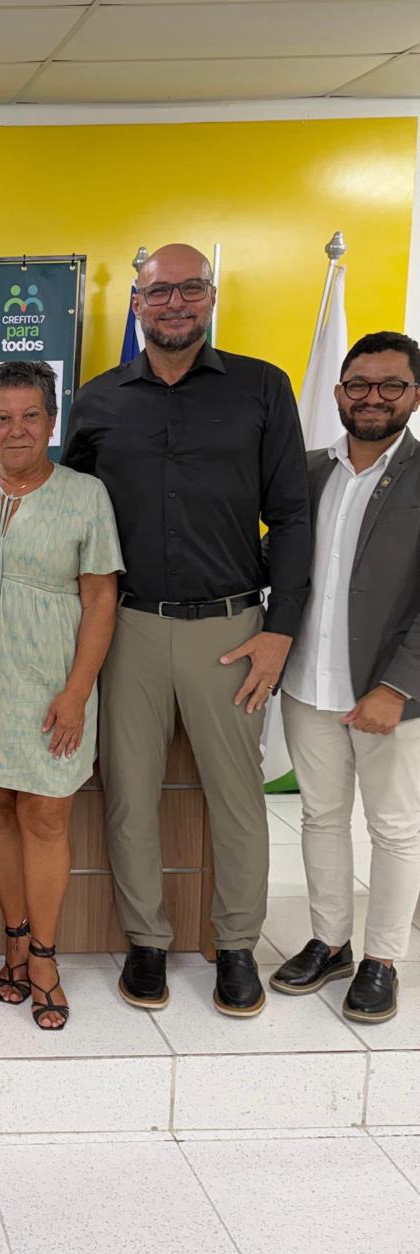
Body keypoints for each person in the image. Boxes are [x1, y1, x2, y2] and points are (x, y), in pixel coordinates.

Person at [64, 242, 312, 1018]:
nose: (175, 302)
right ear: (137, 304)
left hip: (232, 630)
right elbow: (71, 514)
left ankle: (237, 947)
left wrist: (281, 629)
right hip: (127, 628)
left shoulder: (262, 387)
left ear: (210, 297)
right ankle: (146, 942)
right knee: (128, 794)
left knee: (237, 797)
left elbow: (293, 516)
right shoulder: (98, 399)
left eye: (191, 288)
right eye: (160, 291)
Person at [0, 362, 122, 1029]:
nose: (15, 430)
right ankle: (14, 939)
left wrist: (77, 692)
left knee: (46, 817)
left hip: (53, 683)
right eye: (2, 417)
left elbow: (101, 598)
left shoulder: (86, 494)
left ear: (52, 421)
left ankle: (45, 957)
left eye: (30, 416)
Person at [271, 331, 420, 1024]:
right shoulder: (307, 472)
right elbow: (275, 562)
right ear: (338, 392)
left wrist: (399, 686)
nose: (372, 398)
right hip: (308, 683)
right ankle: (330, 943)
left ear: (414, 394)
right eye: (359, 384)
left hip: (387, 693)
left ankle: (383, 959)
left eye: (391, 385)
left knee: (393, 828)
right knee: (322, 817)